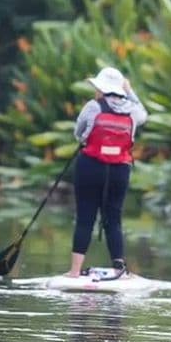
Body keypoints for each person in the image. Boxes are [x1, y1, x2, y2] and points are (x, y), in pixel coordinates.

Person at [65, 67, 148, 277]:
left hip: (90, 167)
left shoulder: (93, 107)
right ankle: (119, 268)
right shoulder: (133, 112)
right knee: (114, 219)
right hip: (119, 170)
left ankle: (74, 272)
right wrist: (129, 90)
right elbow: (144, 114)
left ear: (101, 89)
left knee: (85, 218)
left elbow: (78, 133)